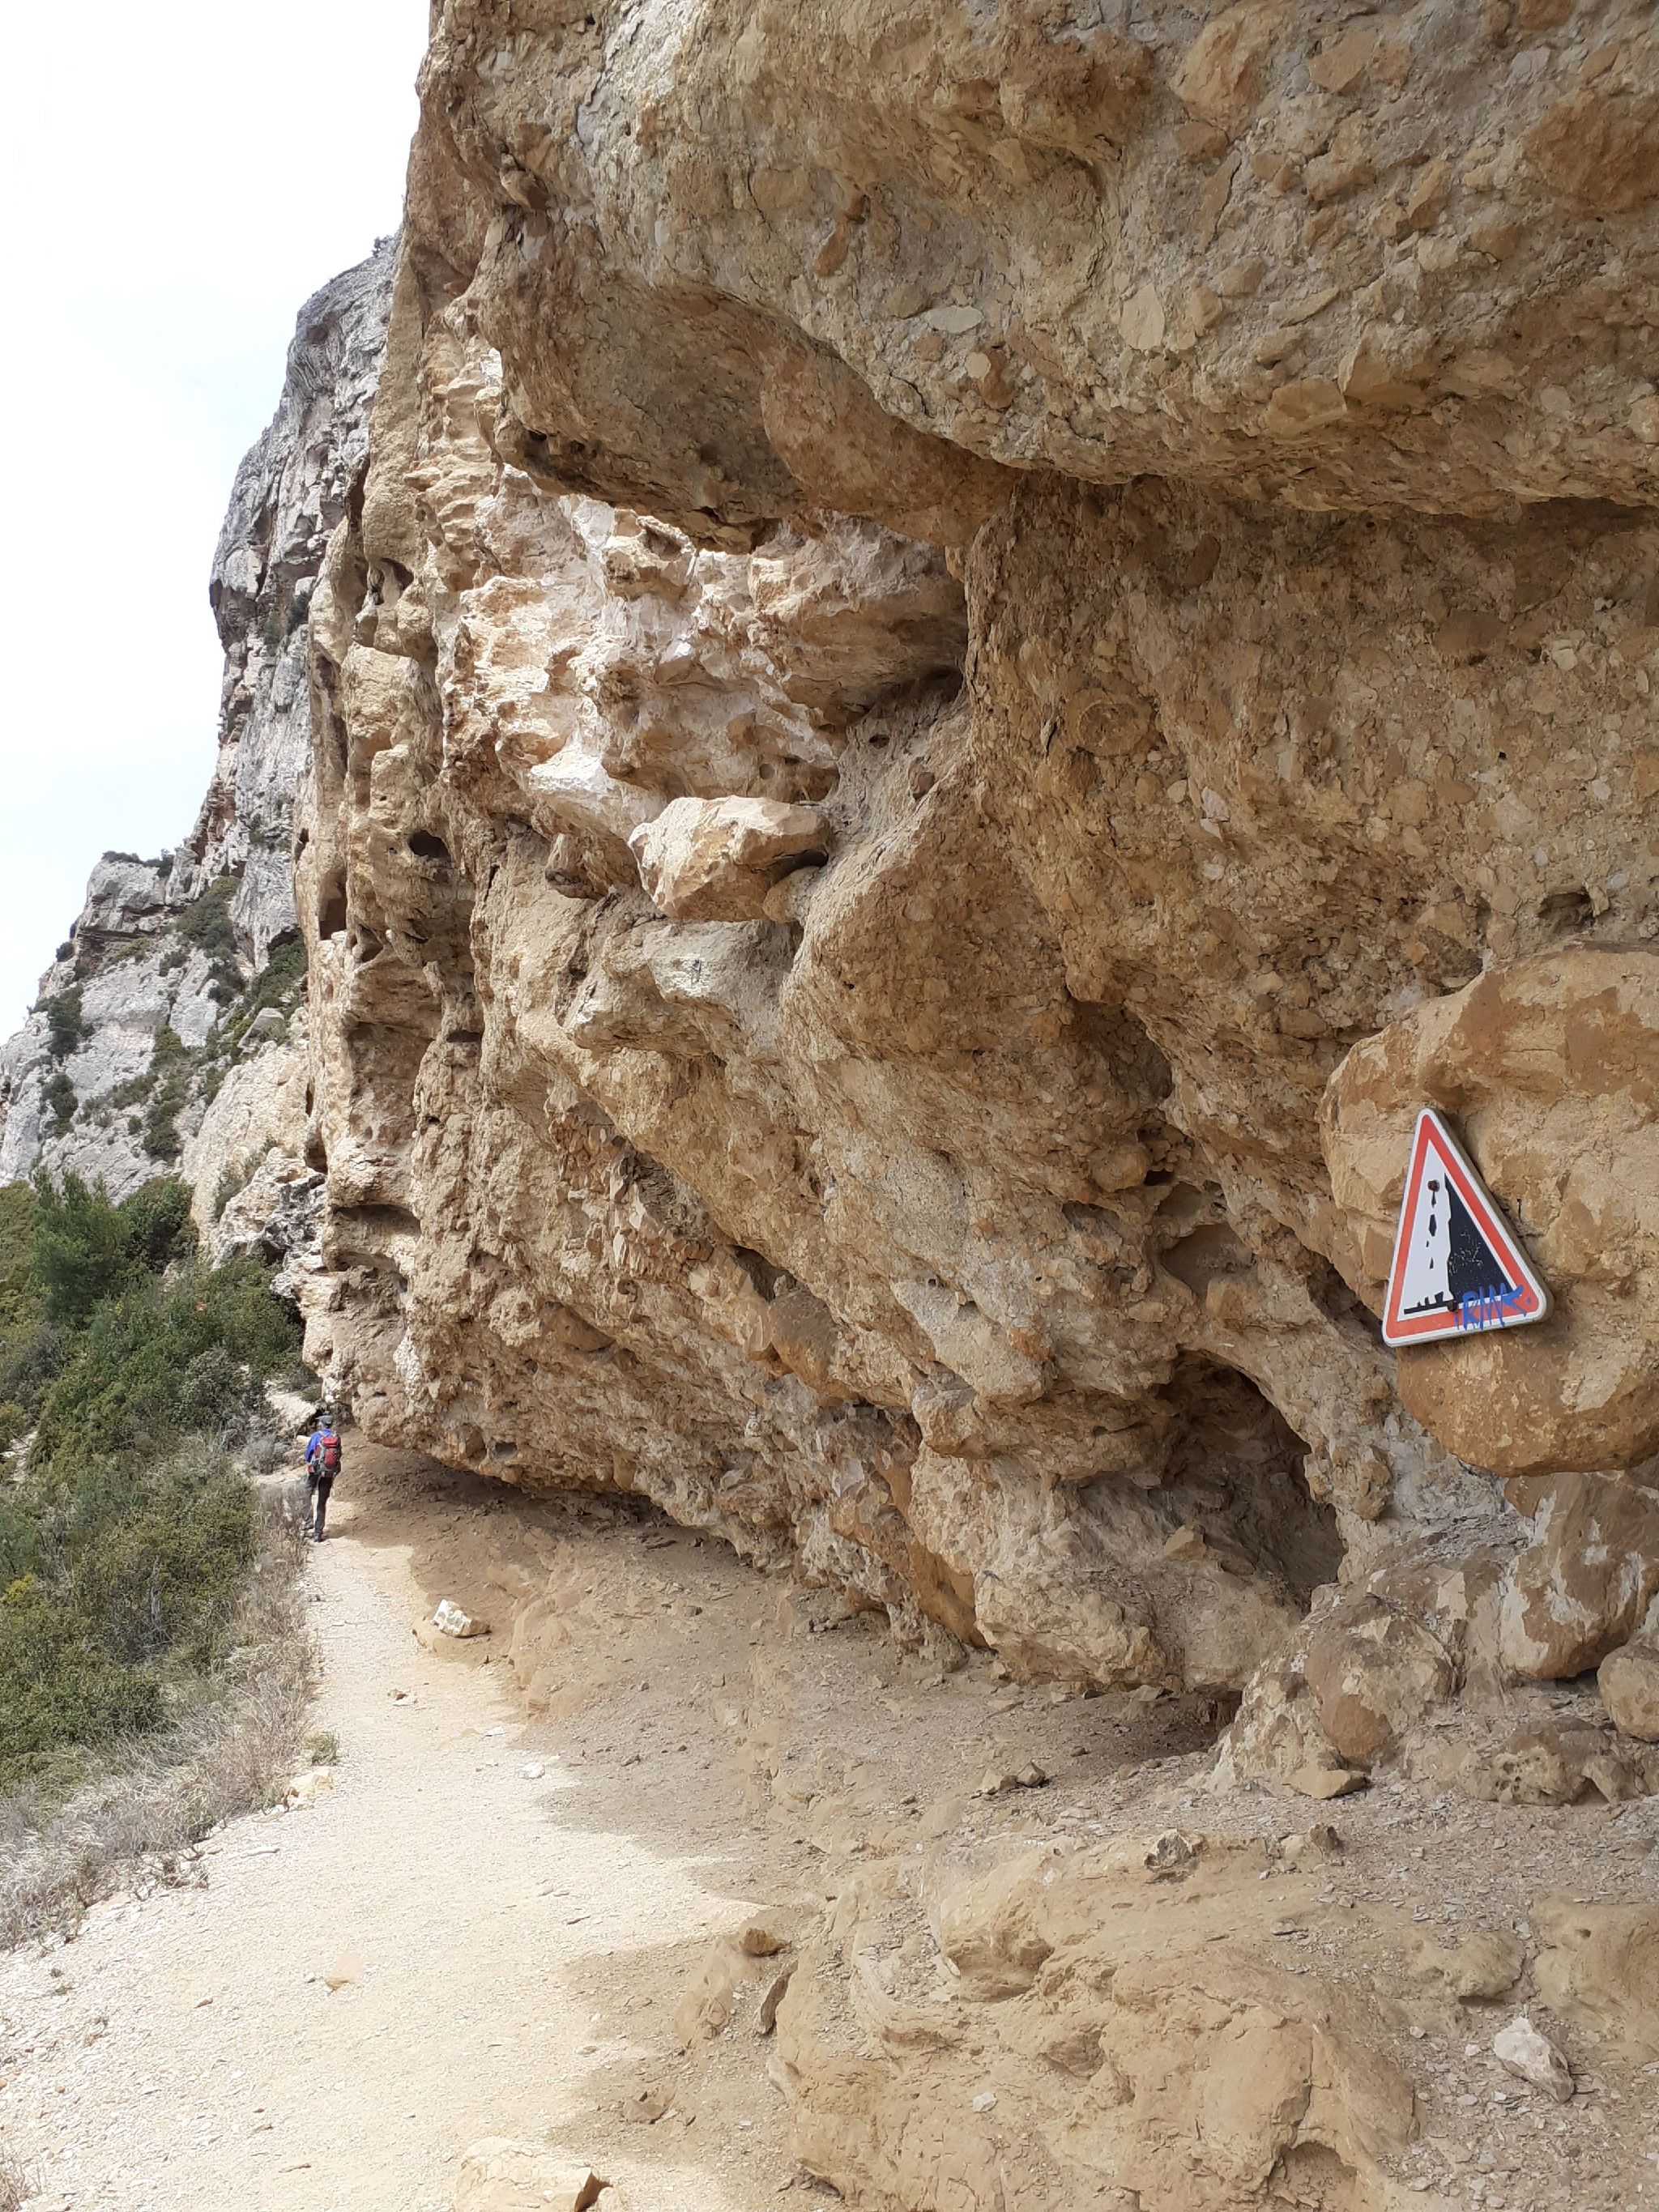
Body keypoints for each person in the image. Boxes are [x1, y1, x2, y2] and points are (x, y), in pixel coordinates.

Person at [305, 1413, 342, 1542]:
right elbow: (339, 1454)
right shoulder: (336, 1437)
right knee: (322, 1502)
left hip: (316, 1471)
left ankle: (308, 1522)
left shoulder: (316, 1436)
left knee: (306, 1494)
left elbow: (308, 1454)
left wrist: (311, 1461)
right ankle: (318, 1533)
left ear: (322, 1424)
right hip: (329, 1471)